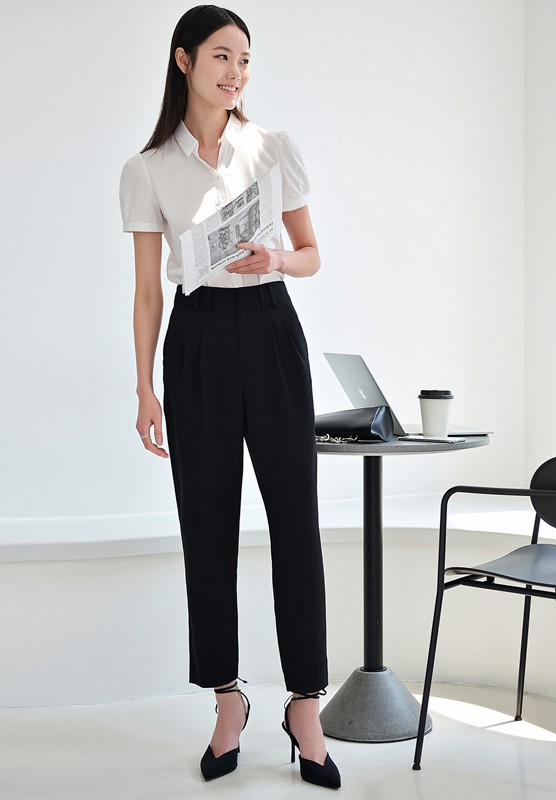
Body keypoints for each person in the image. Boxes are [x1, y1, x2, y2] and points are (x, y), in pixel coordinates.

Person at [119, 5, 340, 790]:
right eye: (220, 56)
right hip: (198, 341)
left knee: (296, 522)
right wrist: (144, 386)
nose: (235, 72)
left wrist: (274, 259)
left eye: (244, 59)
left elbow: (311, 254)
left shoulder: (273, 148)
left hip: (272, 330)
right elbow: (150, 290)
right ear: (183, 61)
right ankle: (227, 701)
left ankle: (305, 706)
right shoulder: (148, 168)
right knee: (206, 526)